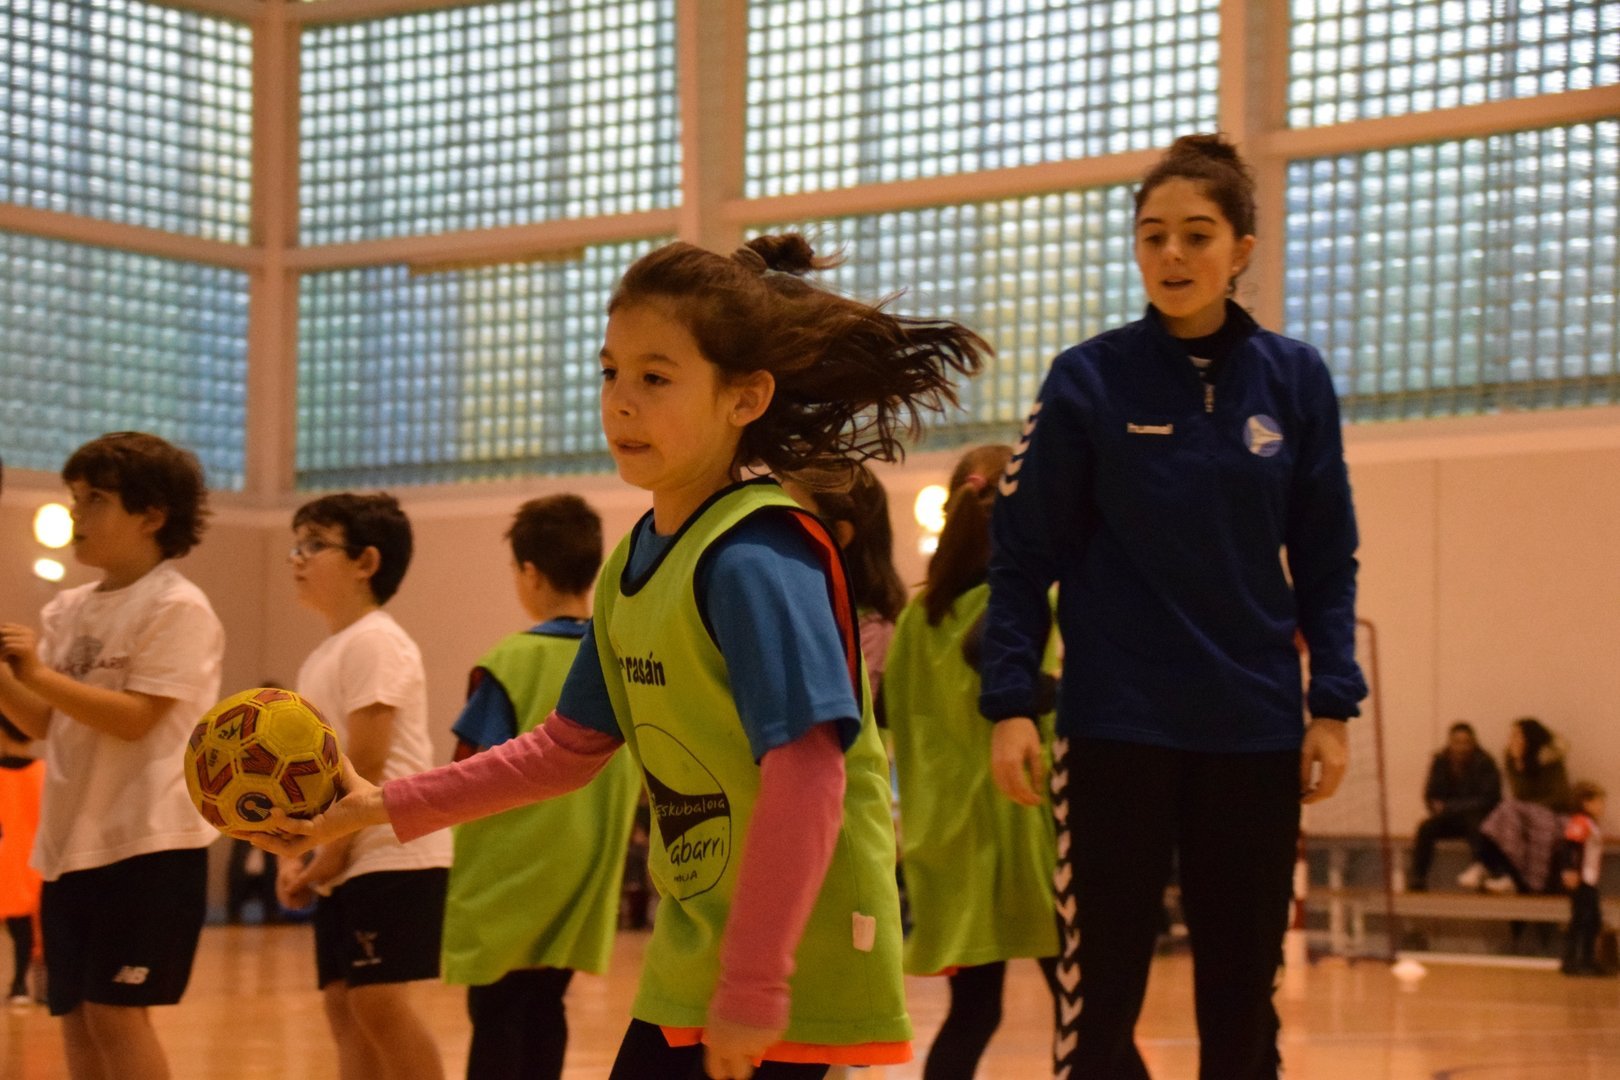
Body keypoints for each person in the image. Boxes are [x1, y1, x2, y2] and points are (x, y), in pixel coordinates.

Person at [246, 233, 988, 1080]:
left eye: (656, 378)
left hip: (795, 947)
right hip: (699, 933)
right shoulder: (635, 559)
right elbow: (563, 749)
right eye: (610, 372)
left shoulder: (757, 557)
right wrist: (375, 805)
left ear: (745, 397)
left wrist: (754, 982)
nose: (621, 402)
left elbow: (809, 774)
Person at [979, 134, 1367, 1080]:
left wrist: (1332, 705)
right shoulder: (1088, 379)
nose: (1172, 254)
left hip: (1254, 729)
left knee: (1243, 998)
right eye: (1153, 235)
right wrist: (1010, 700)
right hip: (1119, 728)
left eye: (1197, 234)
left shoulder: (1295, 380)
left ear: (1242, 249)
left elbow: (1327, 557)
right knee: (1102, 996)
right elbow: (1022, 554)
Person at [0, 431, 226, 1080]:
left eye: (95, 499)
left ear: (152, 514)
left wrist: (36, 673)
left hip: (148, 847)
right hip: (71, 847)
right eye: (75, 498)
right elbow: (44, 721)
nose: (77, 513)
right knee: (75, 1017)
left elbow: (137, 718)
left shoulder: (177, 607)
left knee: (116, 1016)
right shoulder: (66, 609)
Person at [442, 494, 639, 1080]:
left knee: (496, 1015)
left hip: (507, 874)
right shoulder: (620, 659)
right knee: (547, 1007)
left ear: (529, 572)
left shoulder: (509, 661)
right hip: (586, 869)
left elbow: (469, 772)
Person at [882, 444, 1060, 1080]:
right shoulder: (1027, 606)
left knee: (974, 1013)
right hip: (1026, 835)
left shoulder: (915, 620)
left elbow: (890, 718)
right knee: (1090, 1010)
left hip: (947, 847)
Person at [276, 492, 451, 1080]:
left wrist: (325, 854)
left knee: (379, 1004)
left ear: (366, 562)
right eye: (295, 546)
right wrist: (297, 853)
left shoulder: (377, 640)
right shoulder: (321, 656)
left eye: (314, 544)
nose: (298, 558)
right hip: (346, 851)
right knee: (344, 1007)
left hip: (393, 850)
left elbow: (367, 760)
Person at [781, 463, 907, 702]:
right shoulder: (795, 610)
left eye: (792, 521)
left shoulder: (871, 631)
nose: (774, 535)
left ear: (840, 534)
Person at [1474, 716, 1575, 894]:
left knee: (1508, 810)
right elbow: (1519, 793)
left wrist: (1530, 808)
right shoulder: (1512, 760)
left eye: (1516, 736)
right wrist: (1519, 767)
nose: (1511, 740)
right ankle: (1491, 869)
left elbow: (1560, 796)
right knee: (1504, 815)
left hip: (1553, 813)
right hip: (1523, 812)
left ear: (1529, 739)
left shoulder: (1550, 759)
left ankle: (1505, 874)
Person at [1410, 722, 1502, 892]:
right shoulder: (1440, 761)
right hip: (1450, 820)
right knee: (1426, 828)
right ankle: (1417, 878)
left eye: (1466, 742)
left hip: (1476, 819)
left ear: (1473, 743)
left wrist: (1449, 807)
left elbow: (1489, 800)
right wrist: (1441, 808)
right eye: (1457, 742)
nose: (1461, 747)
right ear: (1450, 743)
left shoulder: (1485, 762)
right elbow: (1431, 795)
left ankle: (1481, 871)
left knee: (1476, 822)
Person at [1, 712, 45, 1006]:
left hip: (11, 862)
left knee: (21, 930)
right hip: (34, 862)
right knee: (33, 930)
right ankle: (28, 985)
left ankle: (20, 985)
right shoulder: (45, 771)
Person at [1559, 780, 1610, 976]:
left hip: (1590, 879)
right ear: (1585, 803)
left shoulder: (1591, 824)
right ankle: (1573, 960)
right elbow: (1570, 847)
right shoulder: (1580, 822)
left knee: (1592, 920)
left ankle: (1586, 959)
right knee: (1581, 919)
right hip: (1581, 879)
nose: (1602, 806)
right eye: (1598, 801)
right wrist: (1571, 870)